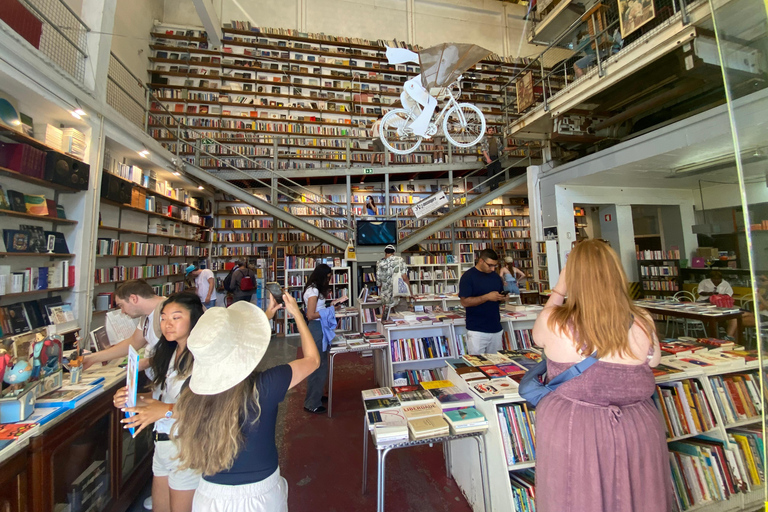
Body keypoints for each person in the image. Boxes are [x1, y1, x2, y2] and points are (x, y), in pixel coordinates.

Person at [532, 240, 673, 512]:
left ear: (573, 277)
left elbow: (538, 338)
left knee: (575, 495)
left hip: (577, 427)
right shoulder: (641, 318)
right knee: (639, 494)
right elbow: (653, 360)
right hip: (637, 426)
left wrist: (560, 288)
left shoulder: (555, 321)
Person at [172, 293, 320, 512]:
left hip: (207, 496)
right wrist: (297, 314)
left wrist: (267, 315)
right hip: (261, 496)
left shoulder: (190, 390)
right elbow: (313, 360)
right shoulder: (264, 386)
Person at [113, 292, 203, 512]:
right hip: (162, 443)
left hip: (186, 447)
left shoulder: (201, 359)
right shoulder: (169, 353)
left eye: (176, 317)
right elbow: (161, 399)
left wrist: (165, 411)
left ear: (194, 319)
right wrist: (134, 399)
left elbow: (205, 408)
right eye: (163, 318)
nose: (167, 324)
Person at [82, 279, 164, 372]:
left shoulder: (168, 313)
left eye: (121, 305)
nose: (122, 311)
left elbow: (176, 351)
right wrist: (92, 358)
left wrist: (147, 362)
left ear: (134, 299)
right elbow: (133, 342)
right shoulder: (146, 316)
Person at [302, 264, 346, 414]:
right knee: (317, 365)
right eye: (328, 277)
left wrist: (331, 305)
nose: (329, 280)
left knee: (322, 363)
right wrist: (330, 310)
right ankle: (311, 403)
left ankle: (318, 395)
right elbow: (311, 314)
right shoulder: (313, 291)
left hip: (320, 327)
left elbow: (318, 309)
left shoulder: (314, 289)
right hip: (316, 328)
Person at [458, 249, 506, 354]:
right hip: (477, 330)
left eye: (495, 266)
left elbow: (498, 300)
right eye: (490, 265)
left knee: (497, 364)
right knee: (477, 364)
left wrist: (502, 298)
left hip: (496, 328)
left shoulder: (495, 277)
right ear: (481, 261)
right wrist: (487, 297)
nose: (493, 269)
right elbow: (465, 302)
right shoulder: (468, 277)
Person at [376, 244, 412, 315]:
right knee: (402, 318)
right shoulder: (399, 260)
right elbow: (404, 277)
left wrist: (383, 293)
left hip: (386, 297)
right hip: (399, 295)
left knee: (388, 320)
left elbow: (378, 282)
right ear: (394, 252)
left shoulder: (379, 263)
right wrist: (411, 293)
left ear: (385, 252)